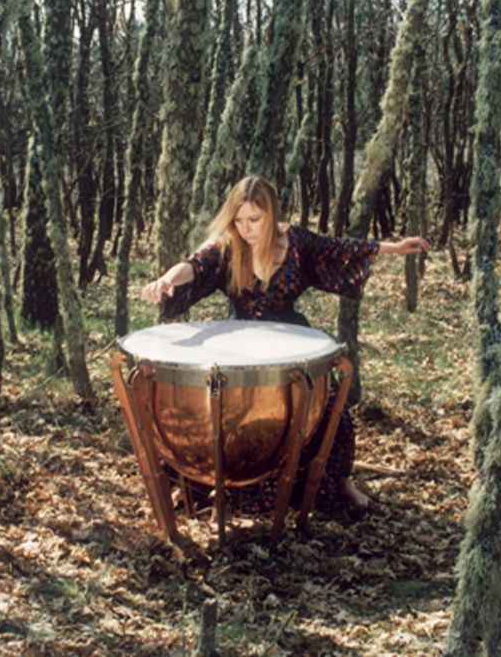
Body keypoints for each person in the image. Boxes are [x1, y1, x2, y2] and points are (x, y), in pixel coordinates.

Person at [140, 175, 429, 511]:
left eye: (254, 219)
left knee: (329, 401)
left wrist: (393, 248)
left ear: (271, 213)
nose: (246, 228)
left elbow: (338, 249)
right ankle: (194, 483)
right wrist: (166, 280)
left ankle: (338, 481)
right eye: (239, 220)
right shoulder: (228, 247)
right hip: (240, 347)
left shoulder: (296, 243)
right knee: (215, 409)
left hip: (290, 342)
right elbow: (193, 266)